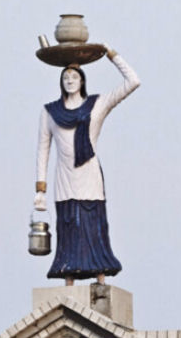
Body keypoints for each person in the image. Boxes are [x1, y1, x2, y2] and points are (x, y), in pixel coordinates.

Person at [34, 48, 140, 285]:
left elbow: (133, 81)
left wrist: (113, 56)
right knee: (69, 224)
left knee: (93, 225)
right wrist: (39, 189)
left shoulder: (97, 105)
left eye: (74, 78)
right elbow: (43, 151)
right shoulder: (50, 112)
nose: (70, 81)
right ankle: (68, 277)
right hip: (64, 178)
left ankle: (100, 275)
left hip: (89, 175)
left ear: (83, 81)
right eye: (66, 78)